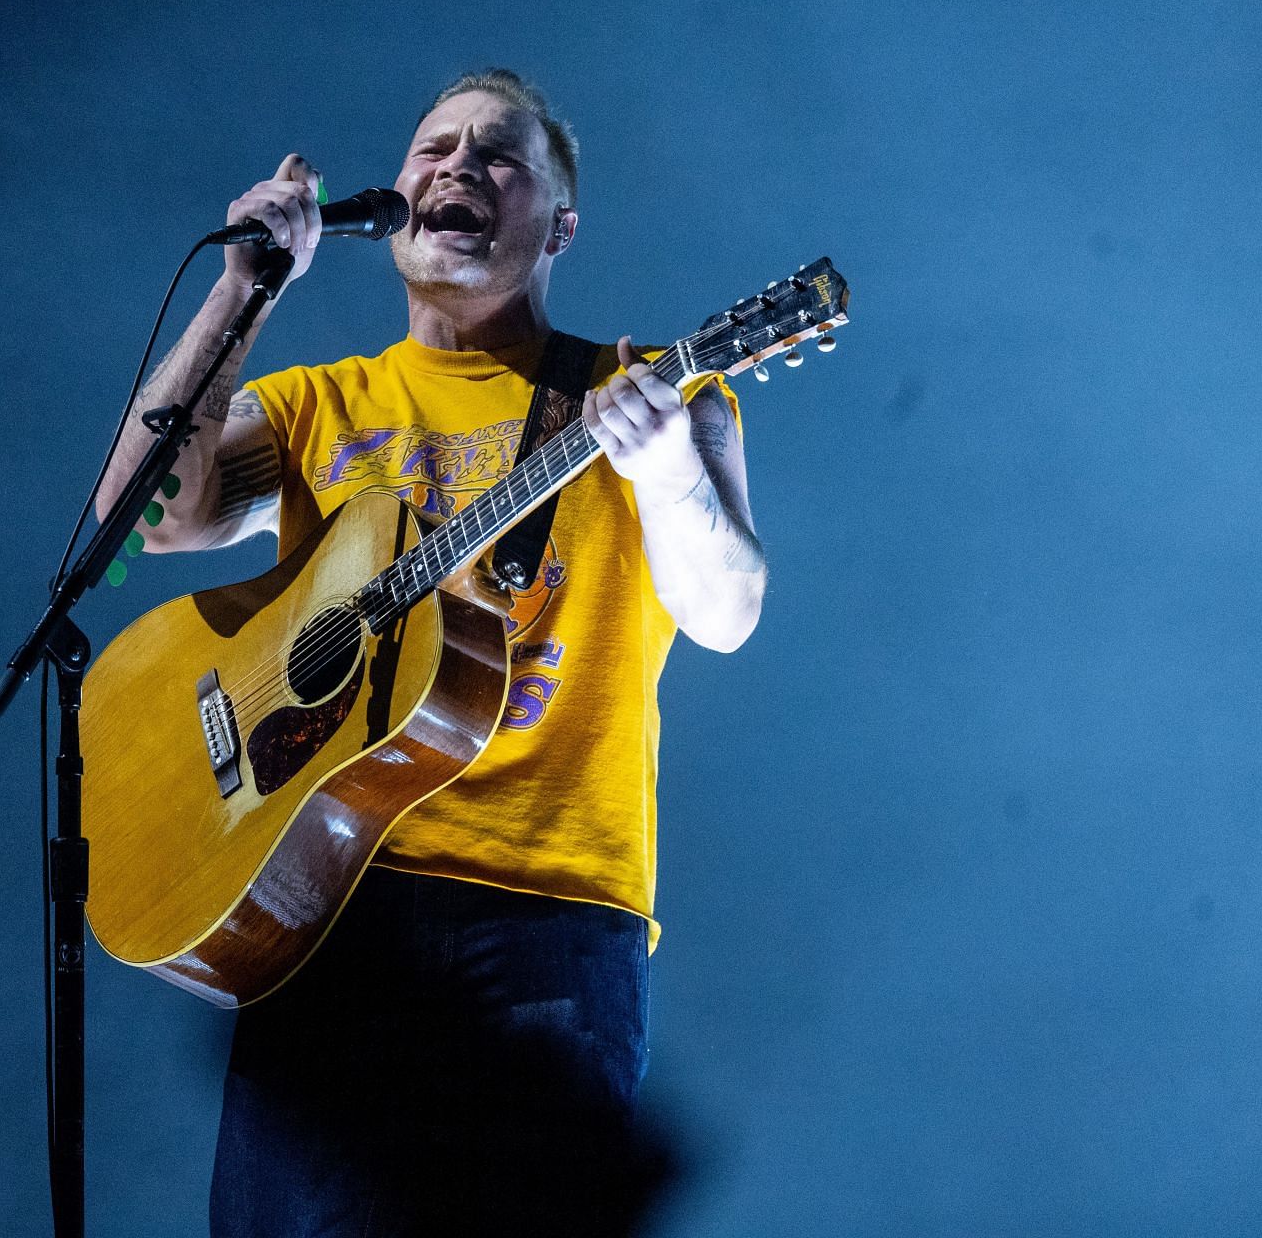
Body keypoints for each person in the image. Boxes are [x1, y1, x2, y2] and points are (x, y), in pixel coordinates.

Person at [94, 69, 764, 1236]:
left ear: (558, 225)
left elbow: (726, 609)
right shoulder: (323, 404)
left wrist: (661, 471)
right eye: (432, 148)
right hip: (325, 918)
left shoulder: (656, 390)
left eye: (496, 154)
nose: (455, 165)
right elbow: (140, 519)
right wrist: (243, 294)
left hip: (546, 921)